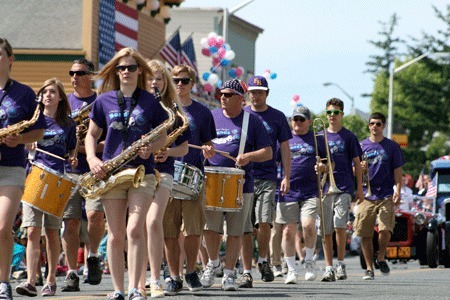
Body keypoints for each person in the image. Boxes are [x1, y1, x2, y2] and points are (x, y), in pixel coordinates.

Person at [84, 47, 168, 300]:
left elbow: (162, 135)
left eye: (131, 67)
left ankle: (136, 288)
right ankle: (118, 290)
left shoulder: (150, 101)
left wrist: (150, 148)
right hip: (112, 172)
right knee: (116, 233)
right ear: (116, 72)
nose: (126, 72)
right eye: (121, 68)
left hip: (142, 173)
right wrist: (92, 158)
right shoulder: (104, 100)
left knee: (134, 229)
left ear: (139, 70)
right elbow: (91, 134)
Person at [201, 79, 272, 291]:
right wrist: (205, 151)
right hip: (212, 179)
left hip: (241, 183)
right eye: (222, 94)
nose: (223, 97)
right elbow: (199, 145)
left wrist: (248, 156)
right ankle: (213, 263)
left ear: (241, 99)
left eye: (229, 94)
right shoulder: (211, 117)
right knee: (210, 229)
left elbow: (267, 152)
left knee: (235, 232)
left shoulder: (253, 121)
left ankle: (230, 273)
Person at [16, 78, 77, 297]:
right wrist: (27, 142)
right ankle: (31, 280)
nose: (47, 95)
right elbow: (21, 144)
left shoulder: (68, 124)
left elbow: (71, 150)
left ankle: (50, 279)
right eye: (44, 92)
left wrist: (72, 159)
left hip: (57, 180)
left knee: (52, 232)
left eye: (52, 92)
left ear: (61, 97)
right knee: (32, 231)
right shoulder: (33, 121)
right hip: (33, 177)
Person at [162, 64, 216, 295]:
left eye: (184, 81)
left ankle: (191, 271)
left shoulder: (203, 112)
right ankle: (174, 276)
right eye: (175, 80)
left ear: (192, 84)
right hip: (166, 173)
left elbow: (209, 144)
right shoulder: (162, 108)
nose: (180, 84)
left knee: (193, 230)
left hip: (193, 174)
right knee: (169, 231)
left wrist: (208, 150)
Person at [140, 60, 191, 298]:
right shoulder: (136, 106)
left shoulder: (174, 112)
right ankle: (139, 279)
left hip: (165, 172)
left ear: (165, 82)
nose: (154, 82)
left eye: (158, 78)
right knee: (138, 225)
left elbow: (184, 149)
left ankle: (156, 279)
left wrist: (166, 151)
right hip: (138, 172)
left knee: (152, 222)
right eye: (150, 78)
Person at [0, 37, 46, 300]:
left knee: (3, 226)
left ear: (10, 58)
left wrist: (20, 139)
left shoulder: (24, 93)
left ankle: (3, 281)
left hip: (12, 167)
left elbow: (38, 129)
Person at [238, 75, 291, 287]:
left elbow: (285, 148)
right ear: (248, 94)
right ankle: (246, 270)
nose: (256, 96)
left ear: (266, 94)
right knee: (244, 226)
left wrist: (286, 175)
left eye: (260, 92)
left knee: (264, 222)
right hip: (244, 176)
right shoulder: (242, 115)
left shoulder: (277, 117)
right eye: (252, 92)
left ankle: (262, 261)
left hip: (268, 177)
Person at [61, 58, 106, 292]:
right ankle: (71, 272)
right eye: (71, 73)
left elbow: (113, 140)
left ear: (91, 75)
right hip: (70, 169)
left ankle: (94, 256)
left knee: (96, 216)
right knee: (70, 221)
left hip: (95, 169)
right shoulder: (65, 103)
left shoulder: (102, 101)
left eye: (79, 73)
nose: (74, 77)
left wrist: (90, 149)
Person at [275, 106, 324, 284]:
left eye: (302, 119)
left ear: (309, 122)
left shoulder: (318, 140)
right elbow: (273, 161)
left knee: (308, 225)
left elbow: (330, 163)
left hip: (311, 190)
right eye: (295, 119)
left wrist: (323, 167)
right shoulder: (284, 140)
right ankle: (291, 269)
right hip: (288, 191)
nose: (298, 122)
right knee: (288, 232)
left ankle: (309, 261)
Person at [354, 112, 404, 280]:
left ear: (383, 126)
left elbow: (398, 172)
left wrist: (398, 190)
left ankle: (381, 256)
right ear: (369, 126)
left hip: (385, 194)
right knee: (365, 233)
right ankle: (369, 268)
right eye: (372, 123)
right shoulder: (360, 146)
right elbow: (353, 171)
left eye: (378, 124)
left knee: (385, 229)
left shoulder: (392, 147)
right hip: (366, 194)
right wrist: (359, 169)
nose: (374, 126)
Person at [320, 98, 363, 282]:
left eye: (335, 113)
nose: (332, 116)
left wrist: (359, 188)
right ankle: (328, 267)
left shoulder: (349, 136)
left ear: (342, 114)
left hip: (343, 186)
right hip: (325, 187)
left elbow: (357, 164)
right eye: (329, 112)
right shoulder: (320, 137)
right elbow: (318, 161)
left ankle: (340, 263)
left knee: (339, 225)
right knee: (326, 230)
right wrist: (319, 168)